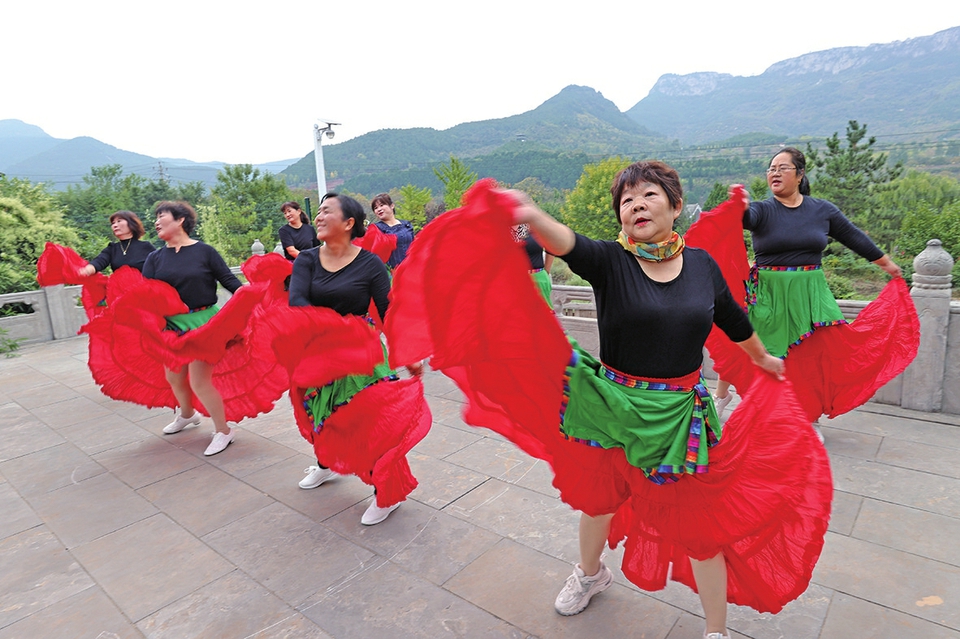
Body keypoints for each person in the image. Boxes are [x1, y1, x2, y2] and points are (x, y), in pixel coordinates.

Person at [386, 175, 832, 639]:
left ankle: (716, 631)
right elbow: (568, 244)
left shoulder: (702, 266)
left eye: (649, 196)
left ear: (675, 206)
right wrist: (530, 212)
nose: (636, 205)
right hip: (611, 405)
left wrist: (762, 358)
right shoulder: (610, 261)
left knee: (701, 526)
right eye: (626, 200)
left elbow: (732, 317)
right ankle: (590, 573)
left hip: (678, 418)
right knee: (599, 501)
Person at [711, 147, 903, 431]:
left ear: (800, 174)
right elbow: (741, 219)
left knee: (814, 355)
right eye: (771, 168)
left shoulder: (821, 210)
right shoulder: (762, 210)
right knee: (747, 346)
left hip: (811, 292)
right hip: (769, 292)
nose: (774, 172)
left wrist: (887, 264)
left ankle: (807, 416)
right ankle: (721, 396)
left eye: (782, 167)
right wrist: (738, 204)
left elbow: (853, 236)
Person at [287, 192, 430, 525]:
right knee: (321, 413)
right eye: (318, 211)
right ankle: (325, 464)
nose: (318, 217)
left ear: (349, 223)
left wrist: (408, 350)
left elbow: (388, 311)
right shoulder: (308, 259)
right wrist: (329, 331)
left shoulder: (370, 264)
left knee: (372, 422)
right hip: (318, 352)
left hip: (361, 353)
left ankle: (386, 493)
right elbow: (297, 302)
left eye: (326, 211)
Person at [143, 201, 244, 456]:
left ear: (180, 220)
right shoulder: (155, 258)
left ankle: (223, 431)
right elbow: (144, 293)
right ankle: (187, 415)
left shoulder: (204, 252)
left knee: (200, 381)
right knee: (174, 377)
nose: (156, 221)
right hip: (171, 326)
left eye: (161, 216)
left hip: (203, 325)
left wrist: (250, 294)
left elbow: (229, 280)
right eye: (155, 217)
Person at [77, 211, 155, 276]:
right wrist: (87, 270)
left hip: (143, 291)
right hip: (119, 292)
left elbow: (159, 266)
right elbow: (100, 261)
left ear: (131, 223)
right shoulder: (112, 248)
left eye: (119, 221)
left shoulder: (145, 247)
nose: (115, 225)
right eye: (113, 223)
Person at [513, 223, 554, 304]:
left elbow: (551, 248)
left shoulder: (533, 224)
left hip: (537, 278)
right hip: (511, 280)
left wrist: (546, 271)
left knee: (540, 313)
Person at [371, 193, 415, 269]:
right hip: (392, 272)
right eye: (375, 208)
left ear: (392, 206)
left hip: (412, 268)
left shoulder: (406, 224)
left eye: (381, 205)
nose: (379, 209)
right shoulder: (376, 229)